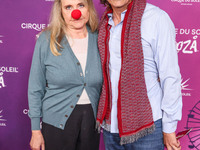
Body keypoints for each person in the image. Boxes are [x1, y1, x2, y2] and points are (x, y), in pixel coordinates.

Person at [96, 0, 182, 150]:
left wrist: (169, 127)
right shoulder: (104, 23)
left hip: (147, 128)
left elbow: (170, 76)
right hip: (111, 127)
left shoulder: (156, 18)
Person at [28, 0, 103, 150]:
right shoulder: (47, 39)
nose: (76, 13)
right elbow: (35, 88)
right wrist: (36, 130)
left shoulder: (100, 37)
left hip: (91, 121)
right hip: (56, 121)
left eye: (81, 5)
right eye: (68, 7)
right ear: (60, 11)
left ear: (89, 8)